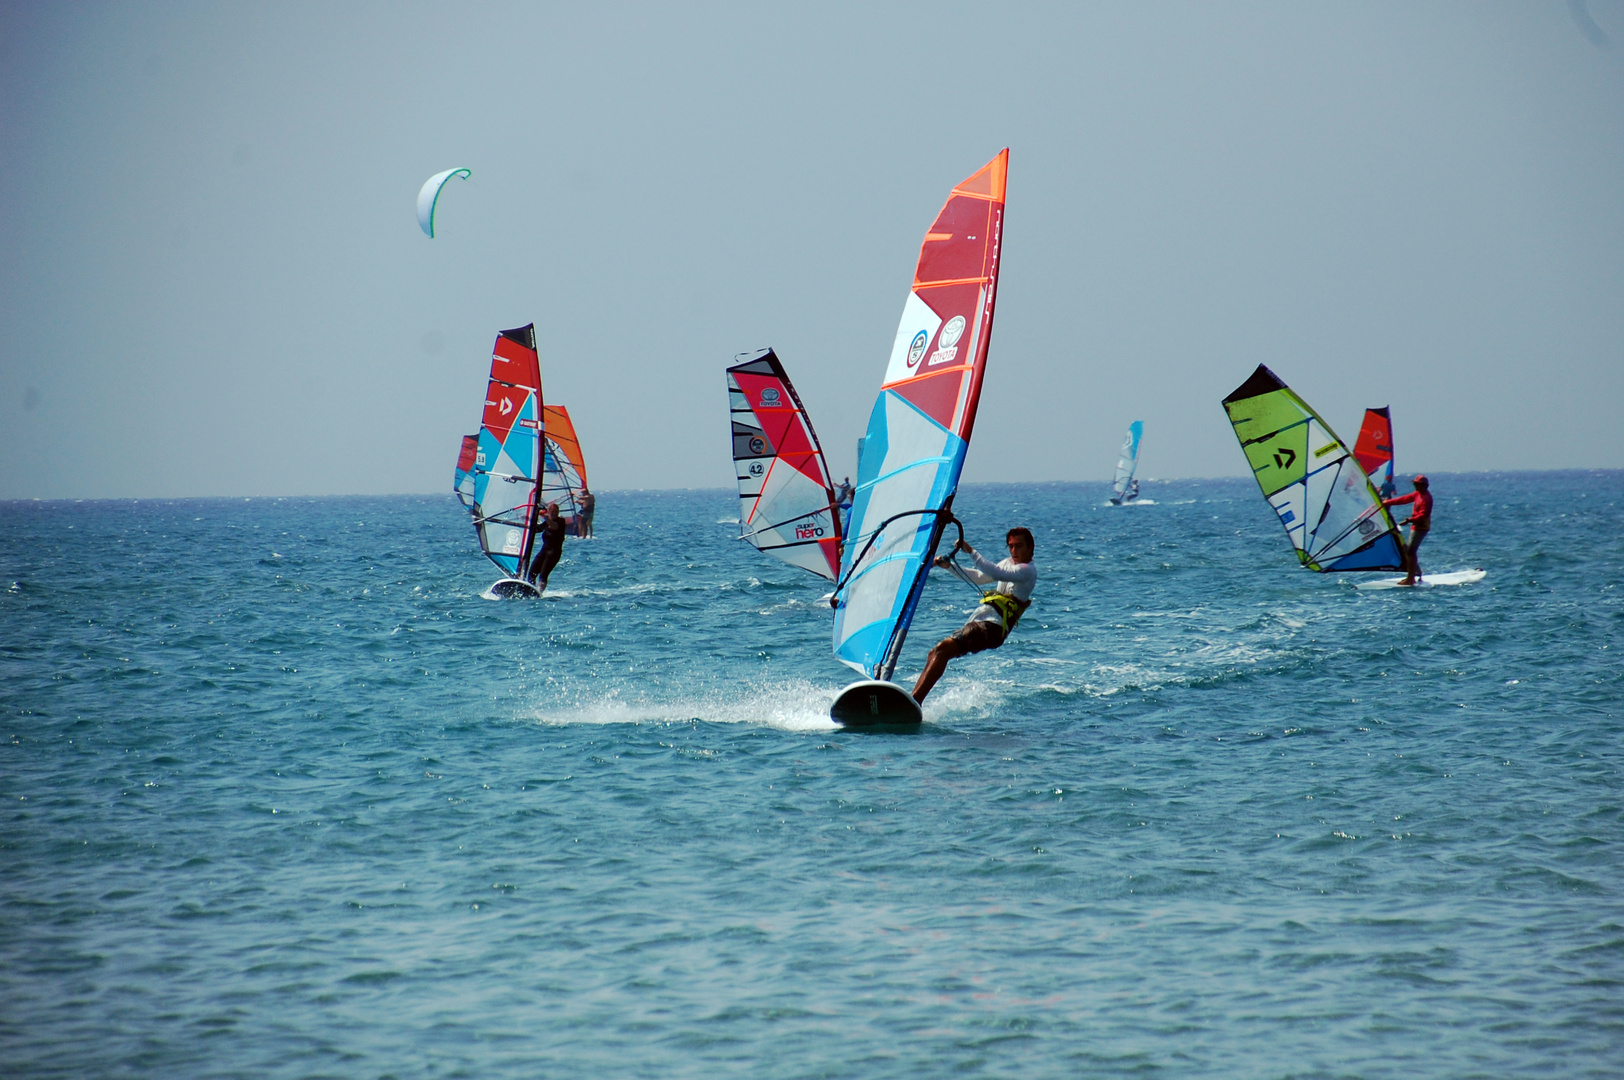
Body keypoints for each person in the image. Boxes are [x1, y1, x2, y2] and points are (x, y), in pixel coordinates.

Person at [911, 527, 1037, 704]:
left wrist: (970, 551)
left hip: (995, 628)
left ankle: (915, 700)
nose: (1014, 551)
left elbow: (996, 573)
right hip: (984, 622)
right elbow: (979, 577)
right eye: (1010, 546)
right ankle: (912, 699)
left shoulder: (1028, 571)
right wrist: (950, 567)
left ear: (1031, 547)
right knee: (935, 652)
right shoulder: (1008, 563)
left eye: (1019, 546)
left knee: (943, 649)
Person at [1382, 474, 1433, 586]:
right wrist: (1387, 502)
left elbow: (1423, 515)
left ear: (1424, 486)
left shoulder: (1427, 498)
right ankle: (1416, 573)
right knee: (1409, 551)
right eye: (1414, 484)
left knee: (1410, 551)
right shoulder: (1417, 494)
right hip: (1415, 526)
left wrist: (1409, 520)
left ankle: (1411, 579)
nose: (1415, 486)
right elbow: (1404, 499)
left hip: (1421, 527)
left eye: (1417, 484)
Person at [527, 502, 567, 590]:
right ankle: (531, 590)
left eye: (556, 512)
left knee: (543, 574)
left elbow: (555, 526)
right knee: (531, 573)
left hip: (554, 553)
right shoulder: (546, 523)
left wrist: (545, 517)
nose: (554, 514)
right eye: (552, 512)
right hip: (544, 551)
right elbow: (536, 529)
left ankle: (540, 592)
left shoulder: (561, 521)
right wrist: (527, 519)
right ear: (548, 512)